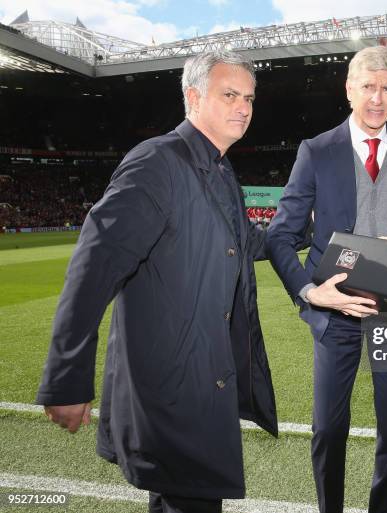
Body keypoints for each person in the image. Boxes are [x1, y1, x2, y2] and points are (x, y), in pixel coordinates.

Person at [36, 51, 278, 513]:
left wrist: (308, 232)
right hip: (169, 387)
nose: (244, 107)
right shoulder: (156, 163)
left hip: (207, 378)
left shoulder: (223, 170)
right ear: (194, 96)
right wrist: (66, 380)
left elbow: (246, 243)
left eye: (248, 97)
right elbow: (93, 268)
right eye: (230, 95)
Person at [266, 46, 387, 513]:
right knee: (327, 426)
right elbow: (280, 236)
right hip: (335, 311)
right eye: (368, 86)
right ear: (349, 89)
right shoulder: (316, 151)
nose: (377, 98)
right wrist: (310, 292)